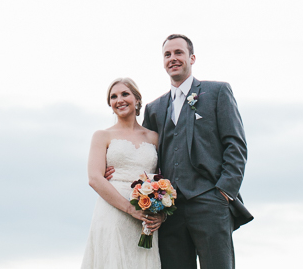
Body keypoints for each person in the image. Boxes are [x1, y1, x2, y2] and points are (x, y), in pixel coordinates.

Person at [106, 35, 253, 269]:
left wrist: (224, 192)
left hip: (210, 201)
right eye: (167, 55)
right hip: (169, 211)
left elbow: (236, 144)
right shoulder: (155, 109)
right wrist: (115, 168)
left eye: (178, 53)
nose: (172, 58)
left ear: (191, 58)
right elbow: (147, 154)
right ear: (163, 62)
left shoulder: (217, 92)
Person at [80, 78, 163, 269]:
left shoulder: (154, 137)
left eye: (125, 94)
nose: (119, 100)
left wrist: (161, 215)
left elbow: (164, 178)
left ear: (137, 100)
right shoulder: (102, 136)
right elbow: (94, 178)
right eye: (113, 97)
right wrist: (130, 209)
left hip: (146, 218)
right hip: (113, 212)